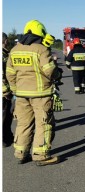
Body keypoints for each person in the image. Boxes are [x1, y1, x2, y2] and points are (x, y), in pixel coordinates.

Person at [5, 20, 62, 165]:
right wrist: (58, 74)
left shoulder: (15, 50)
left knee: (23, 124)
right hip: (41, 95)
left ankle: (21, 153)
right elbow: (50, 70)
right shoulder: (41, 49)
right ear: (40, 33)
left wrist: (15, 90)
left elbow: (10, 74)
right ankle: (40, 155)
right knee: (44, 124)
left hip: (21, 95)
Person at [2, 32, 14, 147]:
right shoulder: (3, 55)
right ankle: (5, 139)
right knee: (6, 117)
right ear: (5, 41)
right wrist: (6, 91)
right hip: (3, 93)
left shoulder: (5, 54)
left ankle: (8, 136)